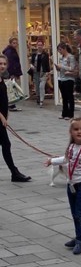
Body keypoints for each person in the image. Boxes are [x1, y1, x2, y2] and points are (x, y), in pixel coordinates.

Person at [45, 116, 81, 254]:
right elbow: (66, 160)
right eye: (76, 129)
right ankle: (78, 236)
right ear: (71, 132)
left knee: (80, 213)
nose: (79, 132)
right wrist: (52, 161)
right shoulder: (71, 146)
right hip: (71, 184)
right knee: (74, 213)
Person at [0, 54, 31, 182]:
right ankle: (14, 172)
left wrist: (7, 113)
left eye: (4, 64)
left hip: (2, 117)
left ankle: (14, 172)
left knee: (5, 144)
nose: (2, 66)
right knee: (6, 144)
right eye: (0, 64)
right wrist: (2, 117)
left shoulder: (2, 79)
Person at [55, 42, 77, 119]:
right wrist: (58, 67)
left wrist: (63, 67)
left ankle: (70, 114)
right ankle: (64, 113)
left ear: (64, 49)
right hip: (61, 78)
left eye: (60, 50)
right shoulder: (61, 57)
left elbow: (72, 68)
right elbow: (61, 67)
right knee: (64, 97)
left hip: (68, 78)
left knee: (69, 96)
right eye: (58, 50)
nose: (60, 52)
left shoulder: (71, 57)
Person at [3, 36, 23, 111]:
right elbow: (11, 64)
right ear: (10, 43)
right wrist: (12, 74)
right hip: (11, 73)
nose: (15, 44)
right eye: (14, 43)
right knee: (11, 88)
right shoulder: (10, 52)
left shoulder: (12, 51)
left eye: (16, 43)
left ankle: (11, 104)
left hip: (12, 72)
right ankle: (11, 105)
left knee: (11, 88)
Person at [29, 37, 50, 107]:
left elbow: (47, 64)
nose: (39, 46)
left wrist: (48, 72)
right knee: (37, 87)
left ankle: (41, 100)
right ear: (36, 45)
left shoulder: (46, 54)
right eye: (38, 45)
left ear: (43, 45)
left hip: (43, 73)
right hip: (36, 72)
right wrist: (31, 66)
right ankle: (38, 97)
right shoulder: (34, 54)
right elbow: (31, 62)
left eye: (41, 45)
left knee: (41, 86)